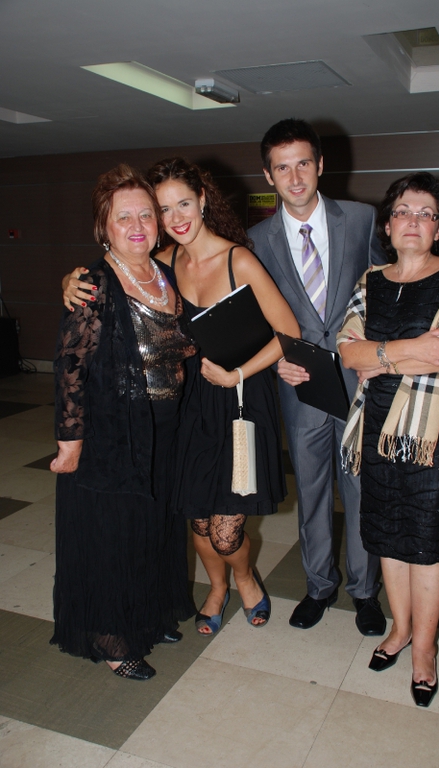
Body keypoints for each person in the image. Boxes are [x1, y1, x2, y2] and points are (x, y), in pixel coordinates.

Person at [63, 157, 301, 636]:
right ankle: (216, 587)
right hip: (190, 401)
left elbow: (289, 332)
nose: (175, 218)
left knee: (226, 530)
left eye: (184, 204)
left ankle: (244, 577)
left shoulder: (238, 260)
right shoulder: (164, 263)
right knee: (197, 521)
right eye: (164, 209)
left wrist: (237, 374)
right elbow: (117, 274)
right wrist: (71, 282)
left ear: (203, 200)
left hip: (239, 401)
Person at [337, 172, 439, 707]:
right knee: (386, 536)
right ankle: (399, 629)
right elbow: (346, 350)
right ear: (388, 224)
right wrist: (406, 349)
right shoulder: (369, 280)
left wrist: (377, 357)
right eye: (402, 211)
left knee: (427, 543)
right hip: (378, 425)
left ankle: (424, 650)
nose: (412, 220)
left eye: (425, 213)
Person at [51, 164, 197, 680]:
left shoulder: (166, 271)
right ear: (104, 226)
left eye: (145, 215)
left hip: (164, 425)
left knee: (153, 528)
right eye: (123, 217)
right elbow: (71, 366)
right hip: (114, 431)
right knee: (114, 534)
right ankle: (111, 636)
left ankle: (150, 614)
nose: (137, 226)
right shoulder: (93, 284)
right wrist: (70, 441)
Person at [249, 119, 387, 634]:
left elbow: (390, 287)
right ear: (269, 176)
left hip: (358, 380)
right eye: (282, 168)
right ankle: (319, 586)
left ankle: (365, 591)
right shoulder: (256, 240)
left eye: (303, 163)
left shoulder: (362, 219)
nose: (295, 177)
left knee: (360, 488)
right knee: (311, 491)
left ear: (320, 165)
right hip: (300, 383)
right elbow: (256, 319)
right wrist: (273, 360)